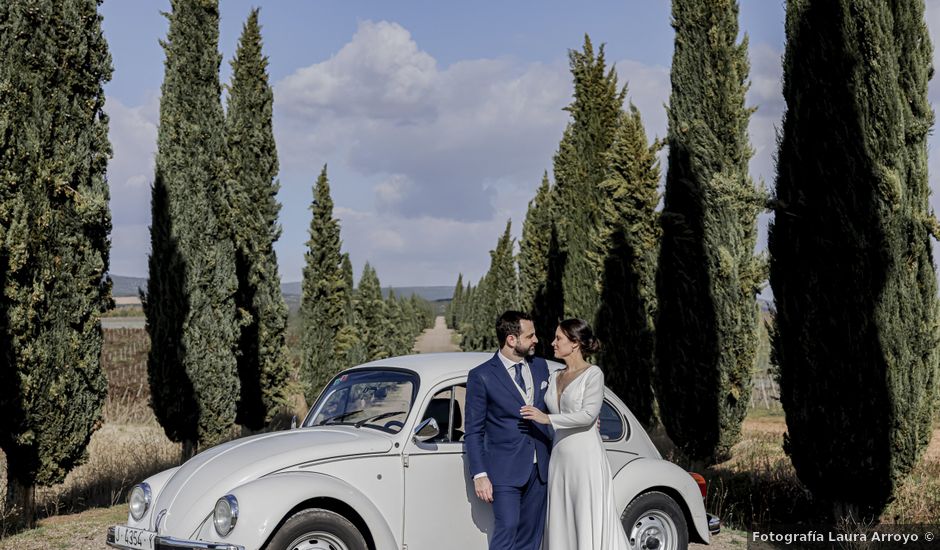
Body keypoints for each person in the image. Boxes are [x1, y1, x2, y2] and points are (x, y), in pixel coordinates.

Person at [521, 318, 629, 550]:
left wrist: (547, 418)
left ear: (575, 343)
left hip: (585, 457)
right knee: (561, 515)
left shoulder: (593, 374)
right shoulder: (555, 375)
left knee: (584, 514)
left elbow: (589, 415)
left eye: (558, 338)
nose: (552, 343)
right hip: (559, 457)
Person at [465, 311, 553, 550]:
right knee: (507, 528)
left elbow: (557, 403)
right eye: (530, 335)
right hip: (503, 469)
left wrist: (585, 418)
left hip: (540, 467)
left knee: (531, 535)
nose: (536, 340)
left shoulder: (541, 367)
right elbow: (473, 431)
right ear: (512, 340)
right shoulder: (481, 375)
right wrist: (479, 474)